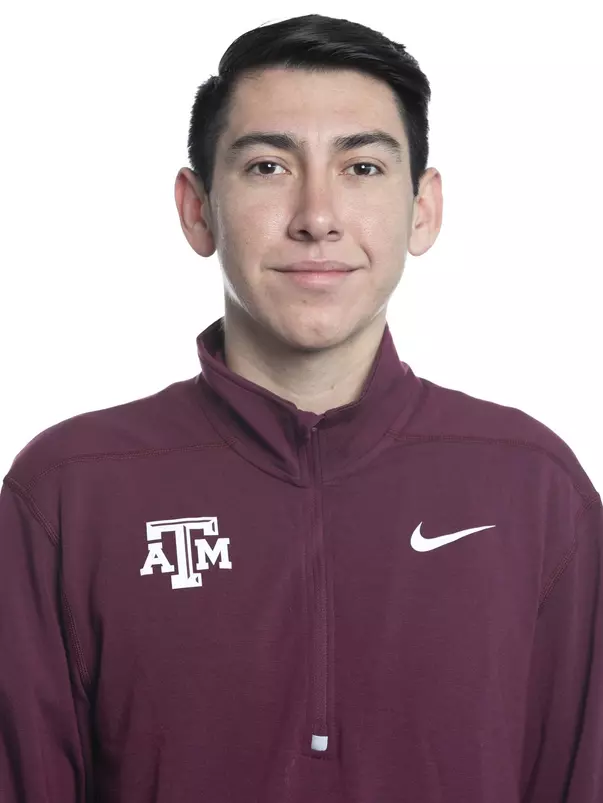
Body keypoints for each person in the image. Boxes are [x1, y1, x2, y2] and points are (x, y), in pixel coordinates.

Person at [1, 13, 601, 803]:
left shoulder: (531, 485)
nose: (317, 216)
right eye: (266, 167)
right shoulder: (69, 490)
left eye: (361, 167)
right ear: (196, 208)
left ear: (422, 208)